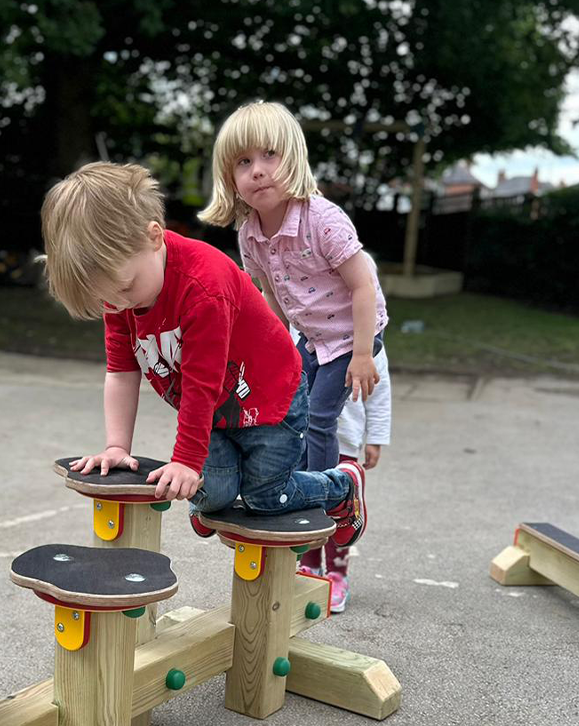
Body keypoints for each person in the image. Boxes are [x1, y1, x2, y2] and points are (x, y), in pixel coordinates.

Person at [37, 161, 366, 545]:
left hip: (271, 402)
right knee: (214, 496)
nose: (119, 304)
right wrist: (116, 446)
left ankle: (341, 486)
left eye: (125, 289)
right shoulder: (119, 294)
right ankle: (217, 493)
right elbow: (121, 370)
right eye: (107, 298)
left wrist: (187, 462)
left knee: (266, 498)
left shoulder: (203, 287)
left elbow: (201, 384)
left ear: (154, 237)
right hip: (215, 411)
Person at [198, 99, 389, 605]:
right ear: (230, 176)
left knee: (321, 420)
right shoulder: (249, 234)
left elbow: (364, 287)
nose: (258, 170)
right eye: (243, 162)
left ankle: (329, 498)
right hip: (310, 337)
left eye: (270, 156)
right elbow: (269, 298)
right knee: (284, 410)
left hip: (353, 336)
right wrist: (274, 353)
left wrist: (365, 355)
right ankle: (279, 486)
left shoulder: (322, 220)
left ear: (294, 158)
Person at [298, 338, 392, 611]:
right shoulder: (301, 323)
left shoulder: (367, 340)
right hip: (302, 439)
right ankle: (309, 565)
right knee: (307, 505)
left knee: (340, 510)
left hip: (344, 439)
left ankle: (337, 573)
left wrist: (376, 437)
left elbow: (380, 388)